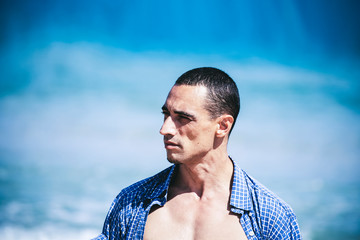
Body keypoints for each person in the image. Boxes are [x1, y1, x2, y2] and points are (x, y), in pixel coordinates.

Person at [93, 67, 301, 240]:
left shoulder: (269, 218)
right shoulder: (132, 203)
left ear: (222, 125)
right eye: (166, 114)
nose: (165, 129)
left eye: (182, 118)